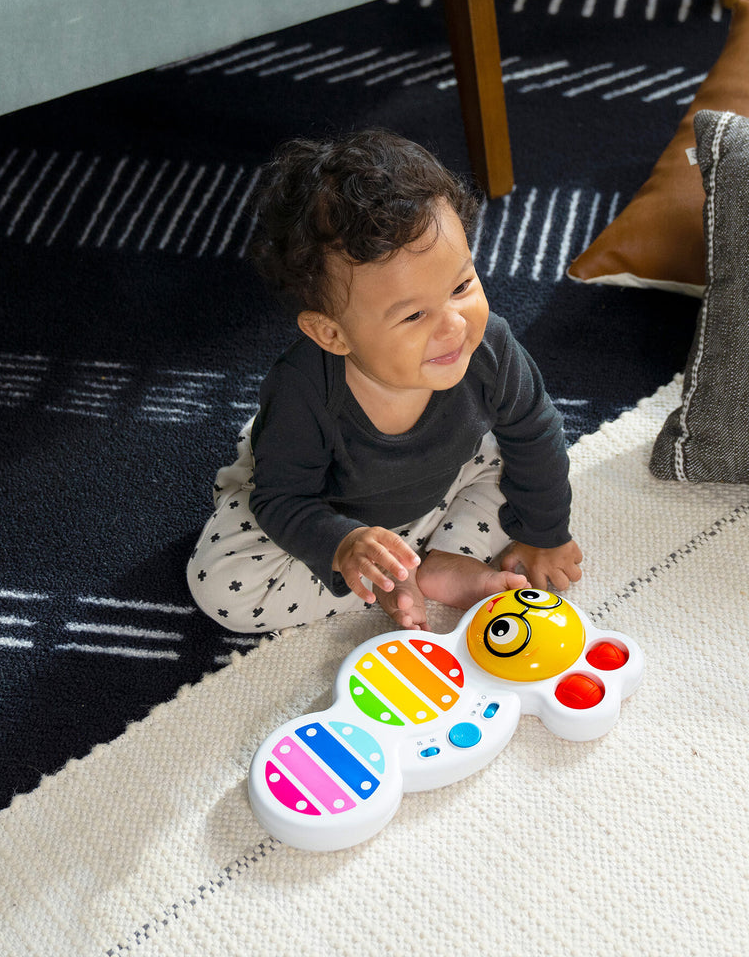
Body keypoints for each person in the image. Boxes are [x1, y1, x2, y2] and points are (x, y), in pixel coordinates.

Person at [187, 129, 582, 633]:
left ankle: (444, 560)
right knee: (222, 587)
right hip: (321, 502)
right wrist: (344, 546)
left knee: (528, 460)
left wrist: (547, 533)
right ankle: (398, 571)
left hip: (442, 476)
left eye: (462, 285)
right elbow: (282, 499)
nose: (455, 325)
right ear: (331, 333)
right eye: (414, 315)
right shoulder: (303, 392)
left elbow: (535, 430)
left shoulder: (489, 348)